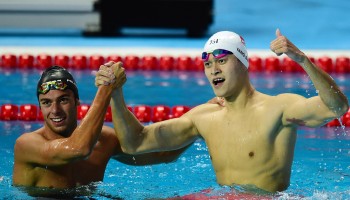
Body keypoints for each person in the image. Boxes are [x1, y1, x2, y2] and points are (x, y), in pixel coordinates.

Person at [95, 29, 349, 194]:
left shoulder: (279, 109)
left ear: (242, 63)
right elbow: (134, 143)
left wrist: (302, 59)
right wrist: (116, 94)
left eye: (222, 61)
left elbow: (336, 107)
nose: (213, 70)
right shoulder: (203, 117)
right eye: (208, 64)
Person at [12, 65, 190, 198]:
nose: (55, 110)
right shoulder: (27, 145)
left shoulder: (104, 140)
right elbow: (78, 149)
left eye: (63, 100)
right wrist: (107, 87)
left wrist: (197, 123)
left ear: (77, 102)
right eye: (46, 102)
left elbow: (164, 154)